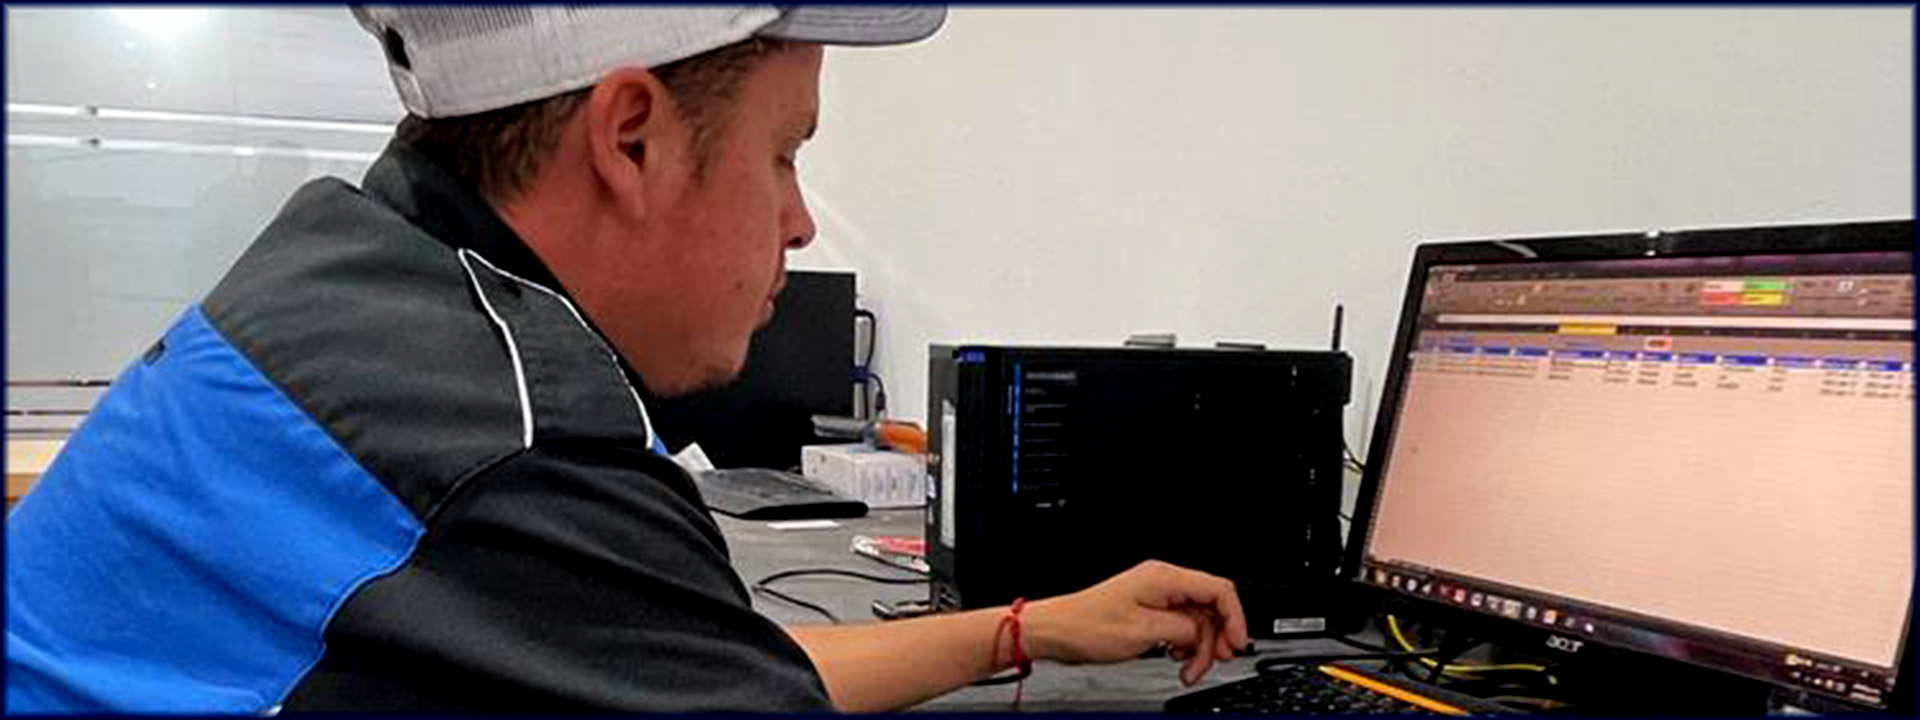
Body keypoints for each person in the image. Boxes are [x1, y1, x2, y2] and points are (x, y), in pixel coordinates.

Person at [5, 6, 1250, 713]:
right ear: (633, 137)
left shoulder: (356, 276)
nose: (798, 220)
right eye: (785, 151)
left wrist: (1025, 630)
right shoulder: (514, 449)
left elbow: (686, 658)